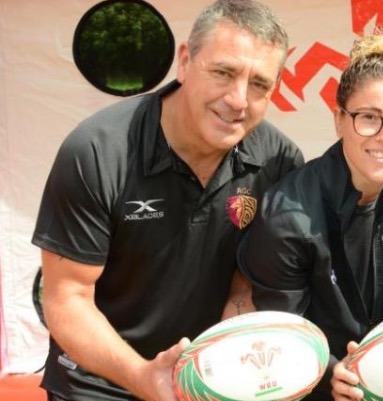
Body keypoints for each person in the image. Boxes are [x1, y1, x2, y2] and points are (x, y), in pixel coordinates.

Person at [31, 1, 304, 400]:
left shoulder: (280, 162)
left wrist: (227, 366)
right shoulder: (97, 150)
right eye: (223, 72)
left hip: (206, 382)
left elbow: (246, 284)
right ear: (185, 62)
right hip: (99, 383)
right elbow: (66, 298)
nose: (238, 99)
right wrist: (143, 376)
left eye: (259, 84)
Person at [236, 31, 383, 401]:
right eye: (368, 117)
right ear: (339, 119)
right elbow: (284, 332)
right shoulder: (287, 215)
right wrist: (330, 374)